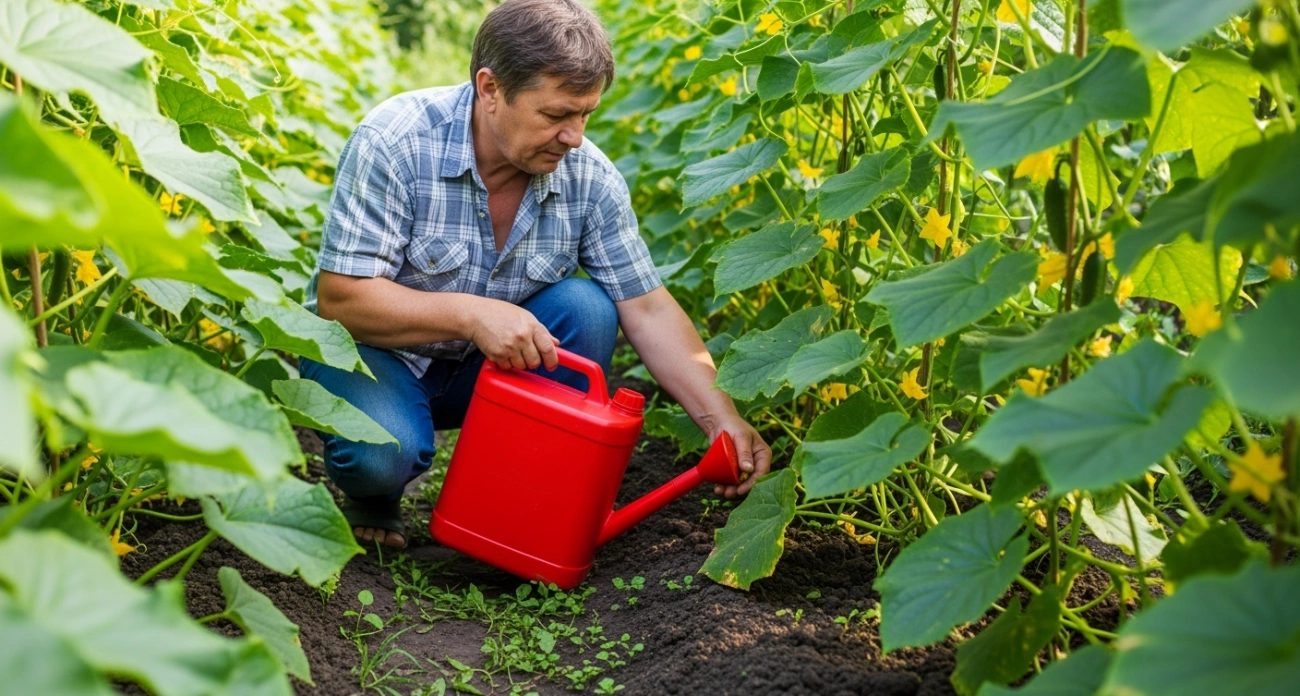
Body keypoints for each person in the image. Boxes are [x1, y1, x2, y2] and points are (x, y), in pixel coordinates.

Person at [301, 0, 772, 548]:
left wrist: (720, 419)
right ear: (490, 89)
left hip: (486, 372)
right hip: (373, 354)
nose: (574, 136)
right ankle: (375, 496)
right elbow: (341, 300)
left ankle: (507, 503)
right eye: (555, 116)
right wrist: (472, 315)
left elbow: (647, 307)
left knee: (587, 308)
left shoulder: (589, 178)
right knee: (383, 456)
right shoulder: (395, 142)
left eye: (585, 115)